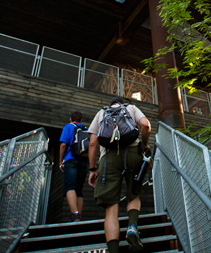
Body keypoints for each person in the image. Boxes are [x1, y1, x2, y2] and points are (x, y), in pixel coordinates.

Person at [88, 97, 151, 253]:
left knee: (111, 206)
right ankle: (132, 227)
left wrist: (92, 169)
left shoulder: (101, 113)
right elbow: (145, 125)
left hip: (109, 158)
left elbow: (92, 143)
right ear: (122, 104)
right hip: (132, 154)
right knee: (133, 195)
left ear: (110, 105)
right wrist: (144, 145)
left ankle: (113, 249)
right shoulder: (131, 108)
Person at [59, 110, 89, 222]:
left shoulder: (68, 127)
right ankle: (79, 215)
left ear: (70, 119)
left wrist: (60, 160)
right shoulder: (86, 129)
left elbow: (63, 144)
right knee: (79, 189)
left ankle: (75, 214)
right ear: (81, 120)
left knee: (70, 186)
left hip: (71, 160)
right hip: (84, 161)